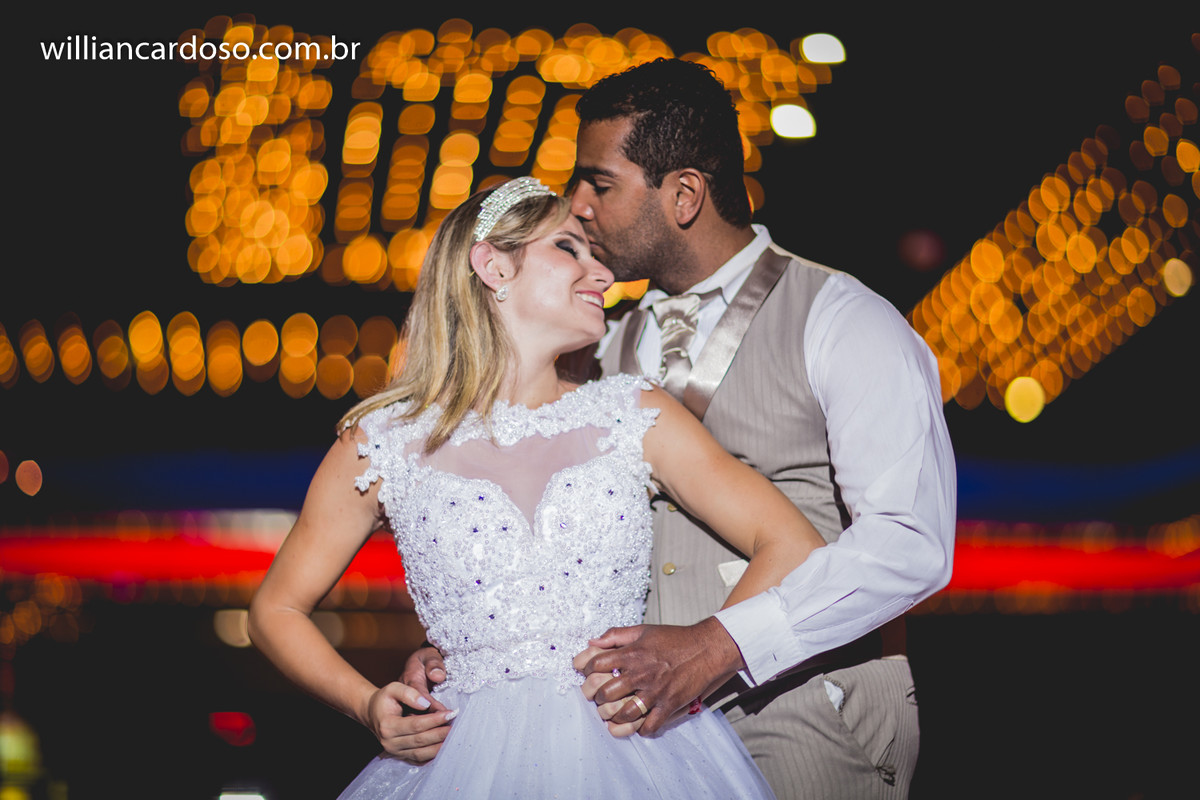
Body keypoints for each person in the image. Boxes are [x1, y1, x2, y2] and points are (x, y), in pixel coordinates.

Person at [247, 176, 828, 798]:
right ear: (493, 266)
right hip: (461, 762)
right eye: (569, 248)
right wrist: (367, 705)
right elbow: (274, 611)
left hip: (638, 754)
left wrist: (700, 654)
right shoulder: (382, 442)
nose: (602, 275)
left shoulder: (634, 415)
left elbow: (792, 543)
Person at [562, 58, 959, 799]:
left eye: (599, 183)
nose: (575, 205)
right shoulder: (599, 347)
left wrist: (717, 646)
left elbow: (911, 544)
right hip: (635, 743)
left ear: (684, 195)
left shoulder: (845, 319)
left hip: (806, 717)